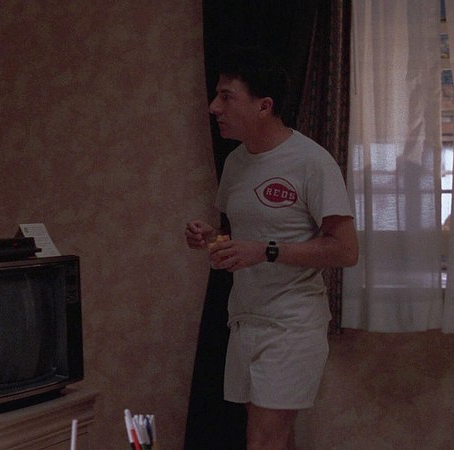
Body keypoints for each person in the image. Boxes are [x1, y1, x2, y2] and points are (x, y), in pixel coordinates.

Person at [185, 49, 358, 450]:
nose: (214, 108)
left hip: (292, 322)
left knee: (263, 439)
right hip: (245, 318)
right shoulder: (235, 163)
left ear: (263, 106)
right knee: (273, 437)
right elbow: (241, 238)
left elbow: (345, 250)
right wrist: (211, 238)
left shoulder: (312, 162)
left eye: (226, 97)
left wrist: (267, 251)